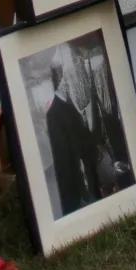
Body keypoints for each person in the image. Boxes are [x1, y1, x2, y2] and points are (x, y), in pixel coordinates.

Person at [45, 58, 100, 216]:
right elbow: (65, 156)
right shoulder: (57, 112)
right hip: (74, 190)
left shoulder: (64, 107)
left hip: (80, 184)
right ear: (60, 79)